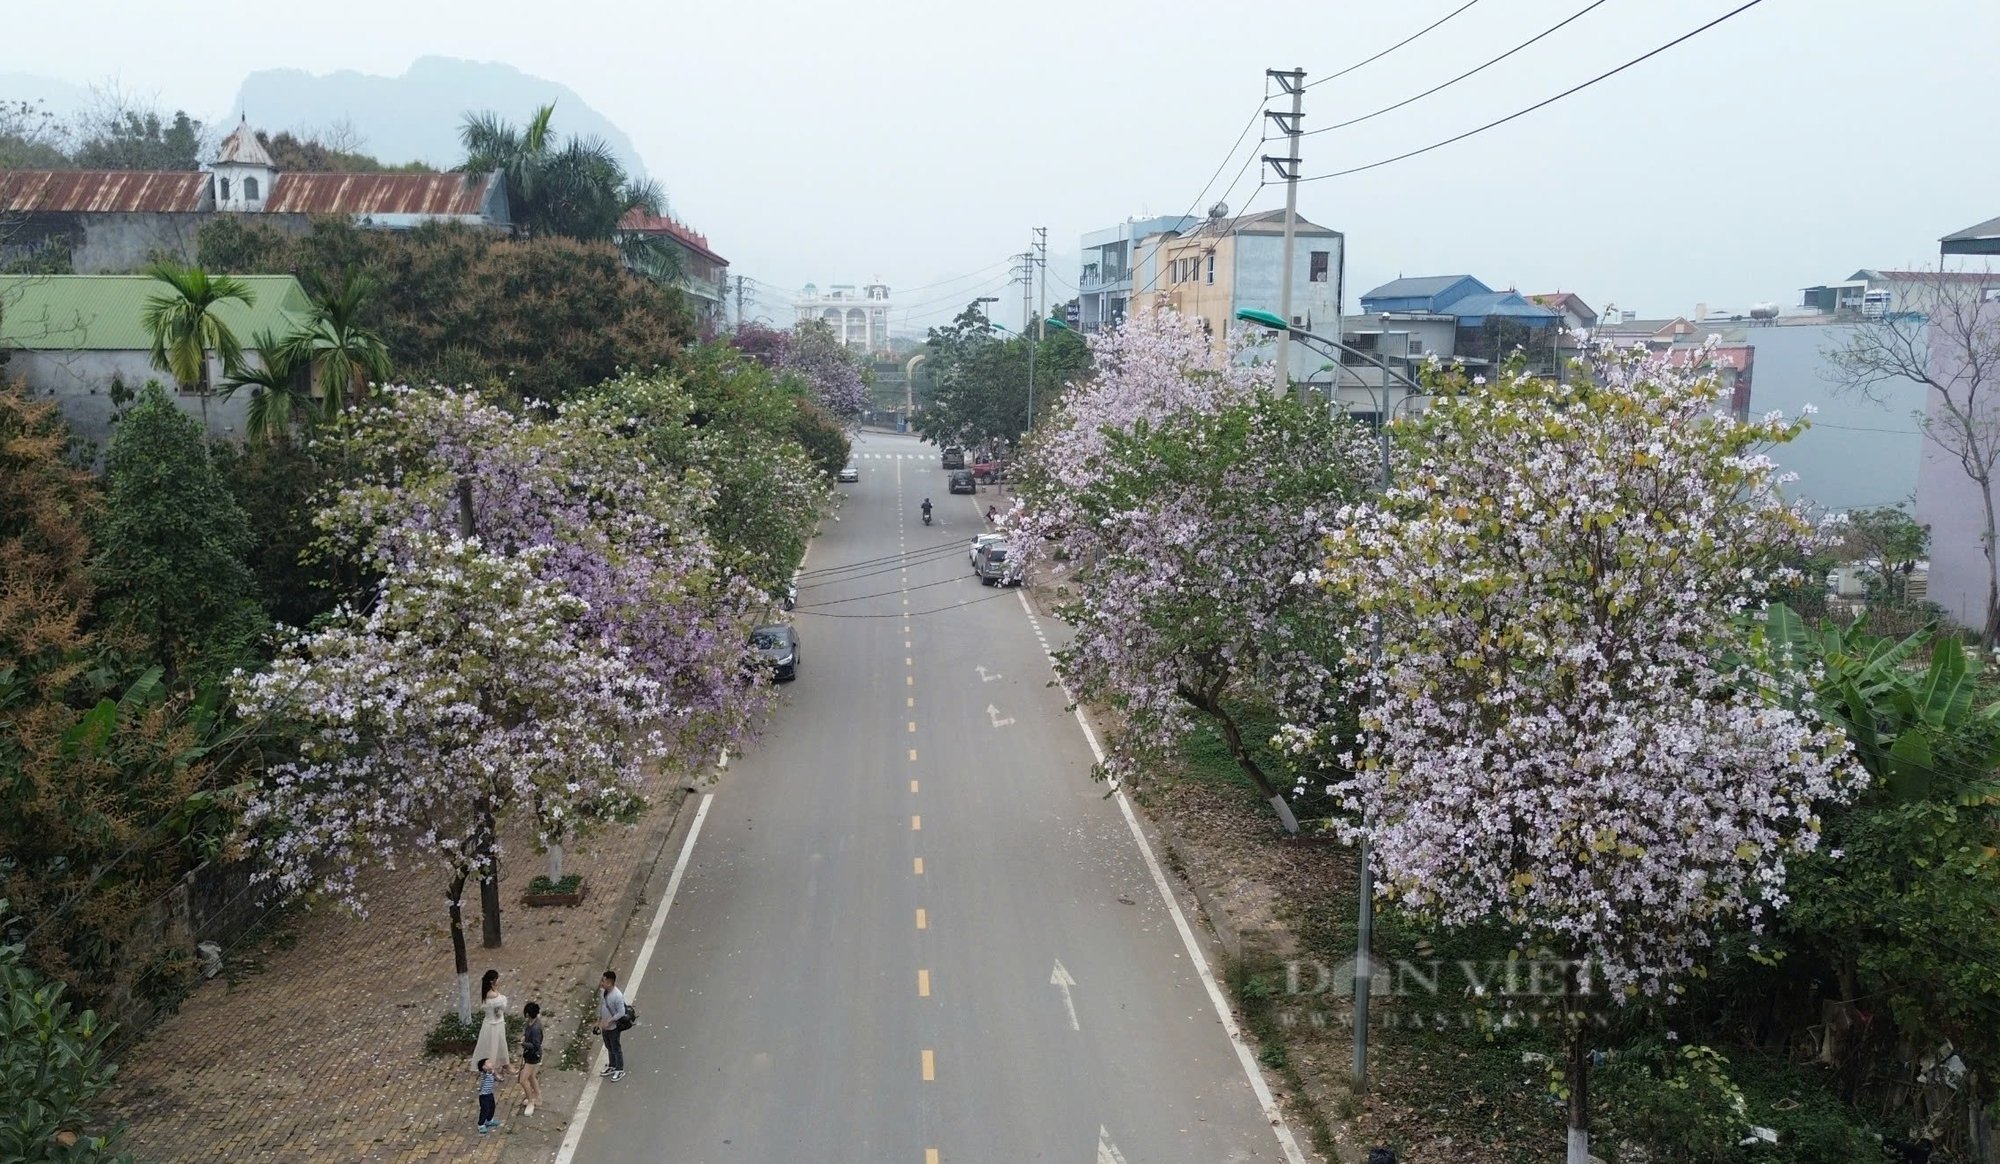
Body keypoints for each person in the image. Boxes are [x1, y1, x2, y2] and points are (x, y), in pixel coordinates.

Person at [469, 969, 510, 1073]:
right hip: (494, 1025)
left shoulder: (488, 991)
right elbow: (503, 1003)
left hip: (495, 1023)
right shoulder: (493, 995)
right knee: (493, 1047)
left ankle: (504, 1064)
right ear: (492, 981)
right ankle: (493, 1069)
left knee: (500, 1044)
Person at [597, 970, 628, 1081]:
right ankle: (612, 1065)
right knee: (609, 1046)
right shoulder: (604, 992)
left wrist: (610, 1021)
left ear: (609, 983)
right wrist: (599, 1020)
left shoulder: (617, 996)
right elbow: (601, 1006)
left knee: (615, 1047)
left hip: (613, 1027)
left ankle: (619, 1069)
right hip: (605, 1026)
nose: (601, 983)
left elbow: (621, 1012)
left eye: (603, 981)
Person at [518, 1001, 544, 1116]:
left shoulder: (536, 1028)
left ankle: (530, 1101)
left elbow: (536, 1045)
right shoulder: (531, 1023)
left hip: (533, 1055)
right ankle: (538, 1097)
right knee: (532, 1076)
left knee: (523, 1080)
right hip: (530, 1054)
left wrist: (524, 1044)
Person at [474, 1057, 504, 1133]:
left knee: (492, 1107)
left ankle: (489, 1120)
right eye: (489, 1063)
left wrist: (496, 1074)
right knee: (485, 1109)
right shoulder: (484, 1074)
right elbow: (486, 1073)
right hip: (484, 1096)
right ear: (484, 1067)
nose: (491, 1063)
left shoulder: (491, 1073)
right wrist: (491, 1071)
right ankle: (481, 1124)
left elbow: (498, 1079)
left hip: (490, 1093)